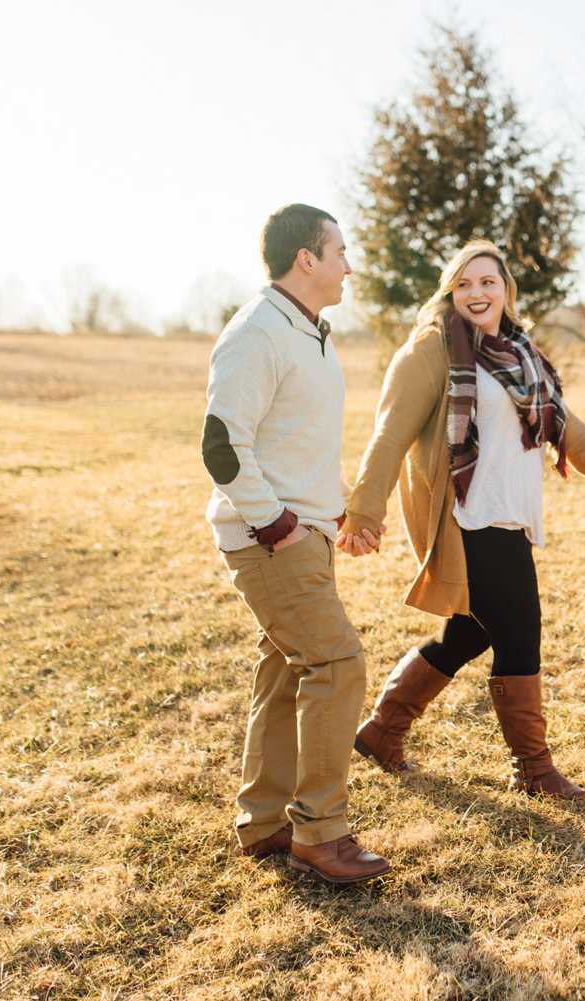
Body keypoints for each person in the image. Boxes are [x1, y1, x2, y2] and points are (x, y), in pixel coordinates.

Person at [338, 239, 585, 800]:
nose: (476, 293)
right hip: (468, 516)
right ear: (449, 291)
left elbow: (570, 433)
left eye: (487, 282)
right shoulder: (430, 350)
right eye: (463, 284)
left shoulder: (521, 355)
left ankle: (381, 731)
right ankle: (533, 769)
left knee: (467, 631)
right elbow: (389, 434)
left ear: (506, 291)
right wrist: (365, 510)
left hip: (509, 516)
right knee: (519, 631)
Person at [202, 203, 389, 883]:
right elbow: (222, 445)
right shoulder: (256, 332)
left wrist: (339, 511)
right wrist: (276, 521)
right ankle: (321, 830)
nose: (349, 263)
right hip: (270, 539)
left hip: (305, 533)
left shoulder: (310, 331)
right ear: (305, 259)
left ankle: (264, 819)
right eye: (339, 250)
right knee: (337, 662)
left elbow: (297, 440)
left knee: (287, 670)